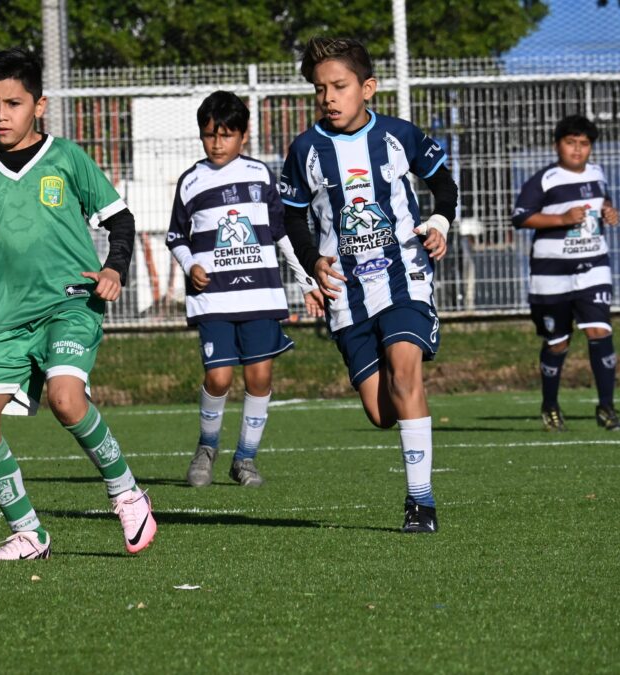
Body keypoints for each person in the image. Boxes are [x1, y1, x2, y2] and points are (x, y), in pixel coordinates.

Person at [0, 48, 156, 560]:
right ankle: (29, 532)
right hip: (4, 320)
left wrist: (114, 268)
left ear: (39, 105)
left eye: (13, 103)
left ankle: (126, 491)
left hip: (69, 304)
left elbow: (120, 221)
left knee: (66, 397)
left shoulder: (67, 158)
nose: (1, 114)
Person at [280, 37, 459, 533]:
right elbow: (292, 218)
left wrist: (440, 222)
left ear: (368, 88)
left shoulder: (399, 135)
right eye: (320, 89)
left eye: (339, 86)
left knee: (406, 374)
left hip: (404, 276)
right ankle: (406, 407)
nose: (329, 98)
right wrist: (314, 261)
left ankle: (420, 503)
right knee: (383, 413)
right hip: (347, 293)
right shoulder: (306, 150)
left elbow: (443, 183)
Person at [165, 90, 324, 488]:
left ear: (244, 135)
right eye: (209, 135)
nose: (217, 143)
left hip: (260, 296)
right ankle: (206, 449)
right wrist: (191, 264)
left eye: (227, 135)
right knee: (218, 378)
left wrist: (306, 281)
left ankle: (246, 459)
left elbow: (280, 232)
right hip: (214, 299)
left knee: (259, 377)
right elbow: (175, 236)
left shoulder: (260, 175)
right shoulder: (191, 181)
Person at [512, 115, 620, 431]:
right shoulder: (544, 180)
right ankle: (550, 406)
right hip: (551, 273)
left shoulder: (598, 173)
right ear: (557, 145)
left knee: (600, 330)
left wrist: (608, 210)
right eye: (570, 143)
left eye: (584, 144)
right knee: (557, 342)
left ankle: (606, 407)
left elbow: (603, 200)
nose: (577, 150)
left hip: (593, 266)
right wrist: (560, 219)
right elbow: (521, 217)